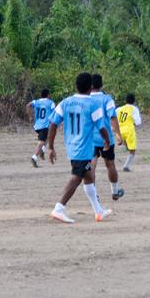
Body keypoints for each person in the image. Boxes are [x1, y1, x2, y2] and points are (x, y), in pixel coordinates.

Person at [46, 72, 113, 224]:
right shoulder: (92, 104)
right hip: (83, 149)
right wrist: (107, 140)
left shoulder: (65, 102)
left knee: (88, 176)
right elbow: (101, 126)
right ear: (91, 87)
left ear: (76, 86)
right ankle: (59, 208)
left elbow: (53, 124)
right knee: (77, 177)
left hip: (71, 146)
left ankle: (98, 211)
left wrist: (50, 147)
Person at [89, 73, 124, 200]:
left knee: (92, 165)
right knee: (110, 164)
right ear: (101, 84)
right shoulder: (107, 99)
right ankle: (115, 191)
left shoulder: (86, 99)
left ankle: (94, 195)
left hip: (90, 138)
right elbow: (112, 117)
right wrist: (118, 134)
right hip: (106, 138)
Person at [115, 94, 142, 172]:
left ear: (125, 101)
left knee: (120, 144)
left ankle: (123, 142)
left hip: (119, 131)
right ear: (134, 101)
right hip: (129, 131)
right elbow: (138, 122)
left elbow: (113, 119)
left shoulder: (119, 109)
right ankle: (126, 166)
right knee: (132, 150)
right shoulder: (134, 109)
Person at [28, 87, 54, 167]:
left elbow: (28, 105)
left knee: (48, 138)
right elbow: (54, 113)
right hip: (44, 125)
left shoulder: (36, 101)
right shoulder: (50, 103)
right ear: (48, 95)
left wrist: (30, 116)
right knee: (42, 142)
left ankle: (42, 151)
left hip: (37, 125)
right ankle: (34, 157)